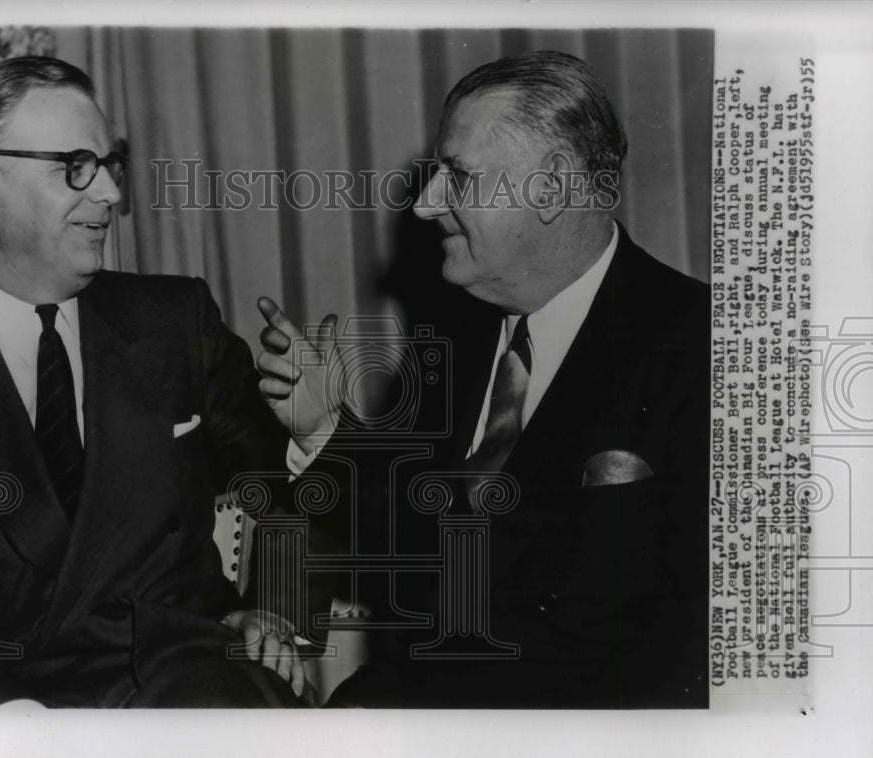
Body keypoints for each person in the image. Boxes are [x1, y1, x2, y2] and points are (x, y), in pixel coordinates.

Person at [256, 50, 710, 707]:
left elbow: (702, 651)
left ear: (551, 187)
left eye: (457, 177)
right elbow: (416, 555)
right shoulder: (455, 335)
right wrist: (324, 428)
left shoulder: (705, 346)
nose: (424, 204)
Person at [0, 56, 314, 708]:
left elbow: (286, 491)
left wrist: (276, 613)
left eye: (110, 164)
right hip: (18, 713)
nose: (112, 194)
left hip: (194, 677)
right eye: (74, 168)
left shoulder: (176, 321)